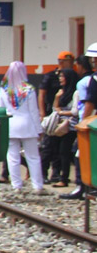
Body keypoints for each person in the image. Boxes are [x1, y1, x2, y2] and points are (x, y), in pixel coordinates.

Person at [0, 60, 46, 195]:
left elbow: (1, 108)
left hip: (10, 125)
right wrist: (39, 129)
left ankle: (16, 185)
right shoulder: (29, 89)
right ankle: (37, 186)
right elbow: (34, 111)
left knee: (12, 156)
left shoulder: (3, 89)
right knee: (33, 156)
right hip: (27, 125)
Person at [41, 51, 80, 186]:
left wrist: (61, 112)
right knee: (51, 149)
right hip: (57, 124)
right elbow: (51, 104)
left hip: (68, 126)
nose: (60, 78)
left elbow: (75, 111)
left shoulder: (75, 91)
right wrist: (56, 100)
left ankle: (62, 177)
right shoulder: (51, 78)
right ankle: (47, 174)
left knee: (64, 152)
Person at [60, 53, 95, 200]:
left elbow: (87, 104)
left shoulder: (86, 82)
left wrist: (83, 122)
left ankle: (81, 186)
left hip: (89, 122)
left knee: (79, 152)